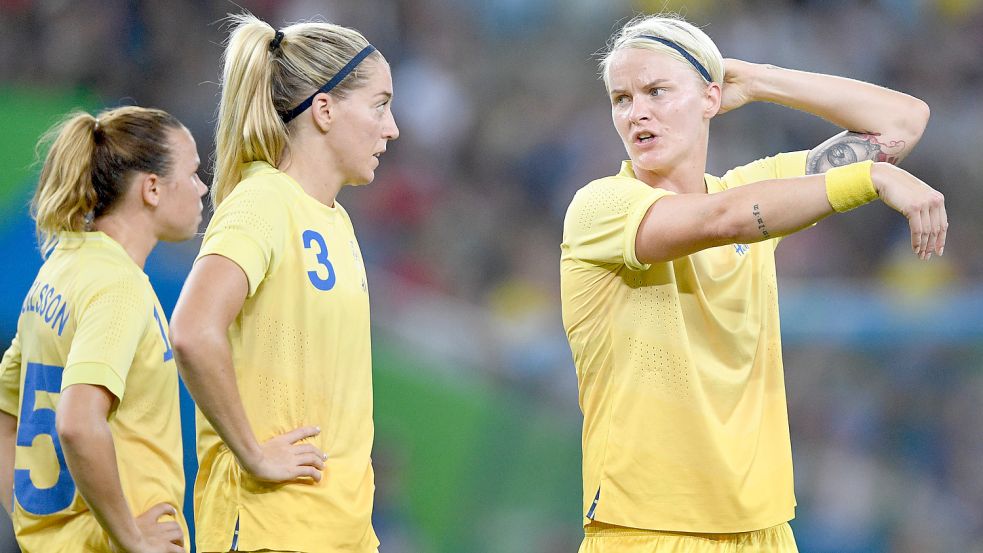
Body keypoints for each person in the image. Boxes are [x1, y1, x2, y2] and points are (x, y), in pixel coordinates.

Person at [560, 14, 947, 553]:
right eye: (621, 99)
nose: (636, 112)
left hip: (763, 531)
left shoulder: (752, 188)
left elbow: (904, 120)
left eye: (656, 91)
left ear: (711, 98)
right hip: (650, 530)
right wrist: (871, 176)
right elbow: (723, 220)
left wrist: (760, 80)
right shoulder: (601, 206)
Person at [168, 13, 398, 553]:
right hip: (269, 528)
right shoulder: (262, 201)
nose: (392, 128)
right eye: (380, 105)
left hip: (342, 534)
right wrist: (253, 453)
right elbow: (192, 331)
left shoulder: (336, 221)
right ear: (325, 109)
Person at [0, 106, 206, 552]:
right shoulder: (119, 287)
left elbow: (5, 414)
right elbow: (78, 422)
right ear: (152, 189)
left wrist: (39, 527)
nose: (202, 187)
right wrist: (131, 539)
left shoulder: (60, 269)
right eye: (192, 174)